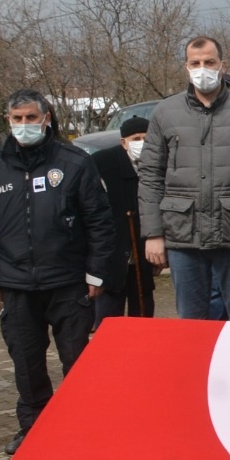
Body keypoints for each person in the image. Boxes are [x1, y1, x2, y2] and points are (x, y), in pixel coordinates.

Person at [0, 90, 114, 456]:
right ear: (8, 121)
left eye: (31, 118)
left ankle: (85, 427)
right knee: (27, 363)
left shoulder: (74, 162)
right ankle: (33, 428)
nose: (24, 125)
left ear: (46, 118)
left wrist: (96, 273)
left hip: (68, 281)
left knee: (77, 360)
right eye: (17, 119)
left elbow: (99, 222)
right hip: (14, 285)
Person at [139, 35, 230, 321]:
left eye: (209, 62)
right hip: (182, 237)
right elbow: (150, 175)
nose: (203, 68)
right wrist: (153, 233)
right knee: (191, 324)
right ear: (186, 67)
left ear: (222, 65)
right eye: (195, 63)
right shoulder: (165, 113)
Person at [90, 117, 157, 325]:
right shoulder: (103, 163)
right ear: (123, 142)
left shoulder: (158, 163)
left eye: (146, 138)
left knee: (143, 318)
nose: (141, 142)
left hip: (143, 255)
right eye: (136, 138)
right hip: (113, 255)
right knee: (109, 320)